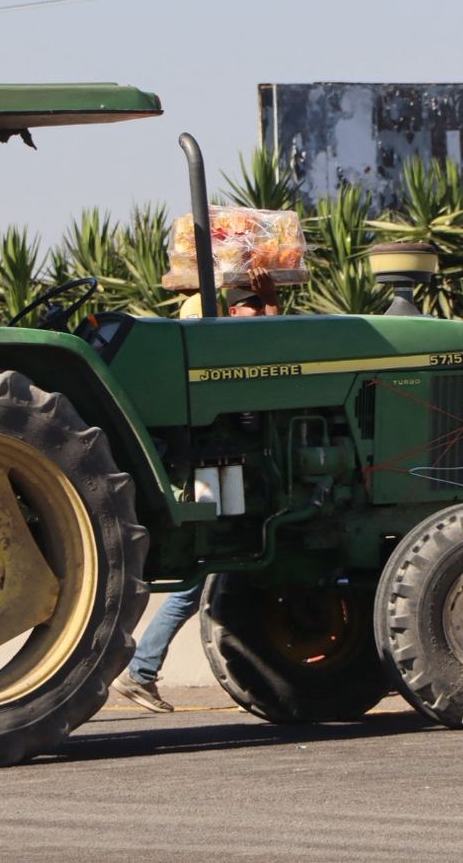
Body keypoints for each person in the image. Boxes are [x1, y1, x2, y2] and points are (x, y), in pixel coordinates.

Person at [112, 270, 278, 713]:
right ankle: (142, 670)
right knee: (205, 574)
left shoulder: (200, 338)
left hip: (216, 470)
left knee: (223, 572)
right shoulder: (213, 337)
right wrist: (271, 303)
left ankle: (258, 673)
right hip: (215, 473)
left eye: (252, 305)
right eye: (245, 304)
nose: (250, 311)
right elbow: (265, 344)